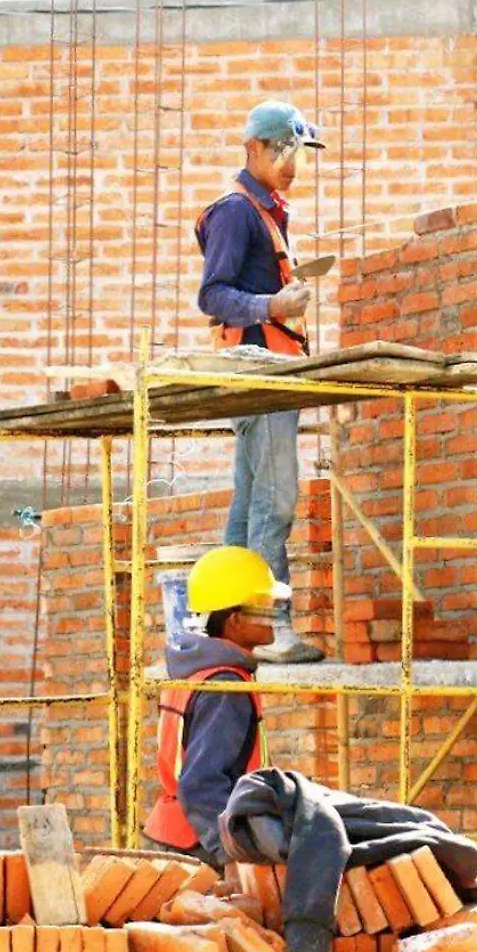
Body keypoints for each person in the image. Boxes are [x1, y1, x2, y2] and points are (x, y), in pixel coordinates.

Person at [194, 99, 327, 664]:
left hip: (270, 369)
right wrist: (272, 303)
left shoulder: (268, 213)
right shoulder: (236, 211)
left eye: (297, 151)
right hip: (258, 371)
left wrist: (282, 298)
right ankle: (271, 628)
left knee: (250, 505)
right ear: (254, 149)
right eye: (281, 149)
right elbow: (212, 293)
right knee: (276, 501)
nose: (291, 161)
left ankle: (225, 626)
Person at [141, 546, 281, 865]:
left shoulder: (197, 671)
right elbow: (201, 784)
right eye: (265, 608)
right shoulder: (225, 687)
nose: (275, 615)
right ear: (235, 620)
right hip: (199, 846)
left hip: (176, 833)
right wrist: (231, 857)